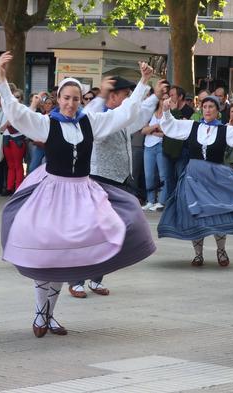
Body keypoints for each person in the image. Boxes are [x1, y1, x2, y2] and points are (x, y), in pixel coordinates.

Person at [0, 51, 156, 337]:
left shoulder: (90, 122)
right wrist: (3, 79)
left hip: (82, 193)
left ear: (82, 100)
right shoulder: (47, 124)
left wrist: (143, 82)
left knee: (67, 258)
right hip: (52, 194)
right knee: (49, 257)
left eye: (75, 98)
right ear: (58, 99)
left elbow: (125, 113)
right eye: (66, 98)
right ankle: (40, 313)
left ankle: (49, 314)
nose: (71, 103)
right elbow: (16, 114)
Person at [67, 75, 161, 298]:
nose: (128, 99)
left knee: (115, 233)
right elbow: (88, 116)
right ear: (113, 96)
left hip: (120, 183)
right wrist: (100, 96)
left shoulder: (121, 120)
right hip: (99, 181)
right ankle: (76, 280)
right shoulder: (98, 119)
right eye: (125, 95)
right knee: (92, 233)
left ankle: (97, 278)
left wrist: (153, 92)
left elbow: (138, 112)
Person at [157, 94, 233, 267]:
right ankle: (198, 254)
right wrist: (166, 111)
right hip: (194, 177)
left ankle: (221, 250)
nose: (207, 110)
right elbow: (170, 127)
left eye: (211, 107)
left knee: (217, 213)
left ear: (218, 111)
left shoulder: (225, 130)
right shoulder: (192, 126)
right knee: (195, 214)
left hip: (215, 177)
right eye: (204, 107)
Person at [141, 84, 170, 211]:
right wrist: (155, 128)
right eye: (162, 98)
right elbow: (143, 130)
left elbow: (167, 132)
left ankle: (161, 201)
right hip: (148, 146)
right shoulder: (151, 112)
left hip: (162, 146)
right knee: (149, 175)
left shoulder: (168, 114)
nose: (164, 101)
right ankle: (150, 200)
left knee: (163, 175)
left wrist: (153, 130)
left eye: (166, 99)